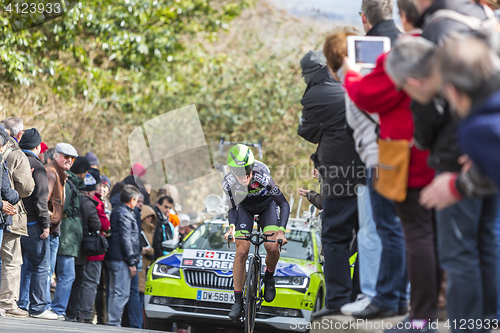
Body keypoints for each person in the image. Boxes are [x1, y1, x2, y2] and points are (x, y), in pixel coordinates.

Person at [386, 34, 498, 332]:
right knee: (487, 241)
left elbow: (424, 137)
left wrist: (457, 185)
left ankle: (460, 325)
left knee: (460, 254)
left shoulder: (477, 128)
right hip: (462, 170)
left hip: (450, 171)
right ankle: (486, 320)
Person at [343, 0, 439, 321]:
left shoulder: (402, 54)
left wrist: (352, 75)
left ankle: (407, 307)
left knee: (402, 230)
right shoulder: (441, 46)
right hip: (439, 152)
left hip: (401, 155)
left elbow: (368, 95)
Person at [222, 144, 289, 322]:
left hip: (268, 206)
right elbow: (232, 208)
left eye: (247, 169)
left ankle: (269, 276)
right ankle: (237, 301)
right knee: (242, 250)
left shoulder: (263, 176)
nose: (244, 174)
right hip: (245, 208)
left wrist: (281, 231)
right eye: (239, 171)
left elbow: (283, 204)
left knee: (272, 246)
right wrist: (231, 227)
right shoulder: (228, 181)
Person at [18, 129, 58, 319]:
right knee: (41, 265)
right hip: (33, 222)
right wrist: (45, 225)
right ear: (38, 146)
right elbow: (41, 200)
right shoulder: (37, 166)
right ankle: (39, 307)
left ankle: (18, 303)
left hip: (14, 220)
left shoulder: (13, 160)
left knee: (17, 265)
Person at [0, 117, 35, 317]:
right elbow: (26, 188)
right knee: (12, 259)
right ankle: (7, 303)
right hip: (10, 212)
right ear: (19, 134)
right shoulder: (17, 154)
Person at [52, 156, 88, 320]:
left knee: (60, 273)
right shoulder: (69, 183)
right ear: (83, 173)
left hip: (67, 233)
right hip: (66, 235)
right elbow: (61, 208)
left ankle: (55, 308)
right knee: (66, 274)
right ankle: (57, 309)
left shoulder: (70, 182)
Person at [105, 185, 143, 327]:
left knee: (114, 292)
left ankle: (112, 321)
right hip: (121, 259)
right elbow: (126, 239)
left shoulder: (117, 211)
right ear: (132, 199)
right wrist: (131, 262)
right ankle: (114, 323)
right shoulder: (125, 214)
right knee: (121, 293)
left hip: (113, 257)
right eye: (137, 200)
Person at [75, 168, 102, 324]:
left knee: (78, 281)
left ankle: (75, 311)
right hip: (89, 247)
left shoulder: (76, 198)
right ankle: (84, 315)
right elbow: (99, 224)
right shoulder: (93, 203)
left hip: (77, 245)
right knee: (89, 283)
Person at [139, 205, 155, 302]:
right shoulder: (141, 231)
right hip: (140, 264)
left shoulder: (152, 231)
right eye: (148, 216)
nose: (150, 218)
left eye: (152, 217)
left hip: (147, 265)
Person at [152, 195, 175, 260]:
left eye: (170, 208)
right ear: (159, 205)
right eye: (166, 207)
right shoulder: (154, 218)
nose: (168, 210)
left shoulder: (167, 222)